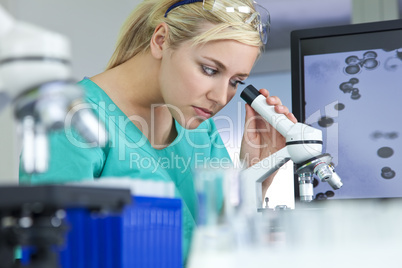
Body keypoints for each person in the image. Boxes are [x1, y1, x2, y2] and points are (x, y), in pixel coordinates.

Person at [19, 0, 297, 264]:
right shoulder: (72, 122)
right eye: (210, 70)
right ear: (161, 40)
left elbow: (225, 246)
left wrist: (256, 175)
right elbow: (48, 256)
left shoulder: (201, 127)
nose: (221, 97)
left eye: (236, 81)